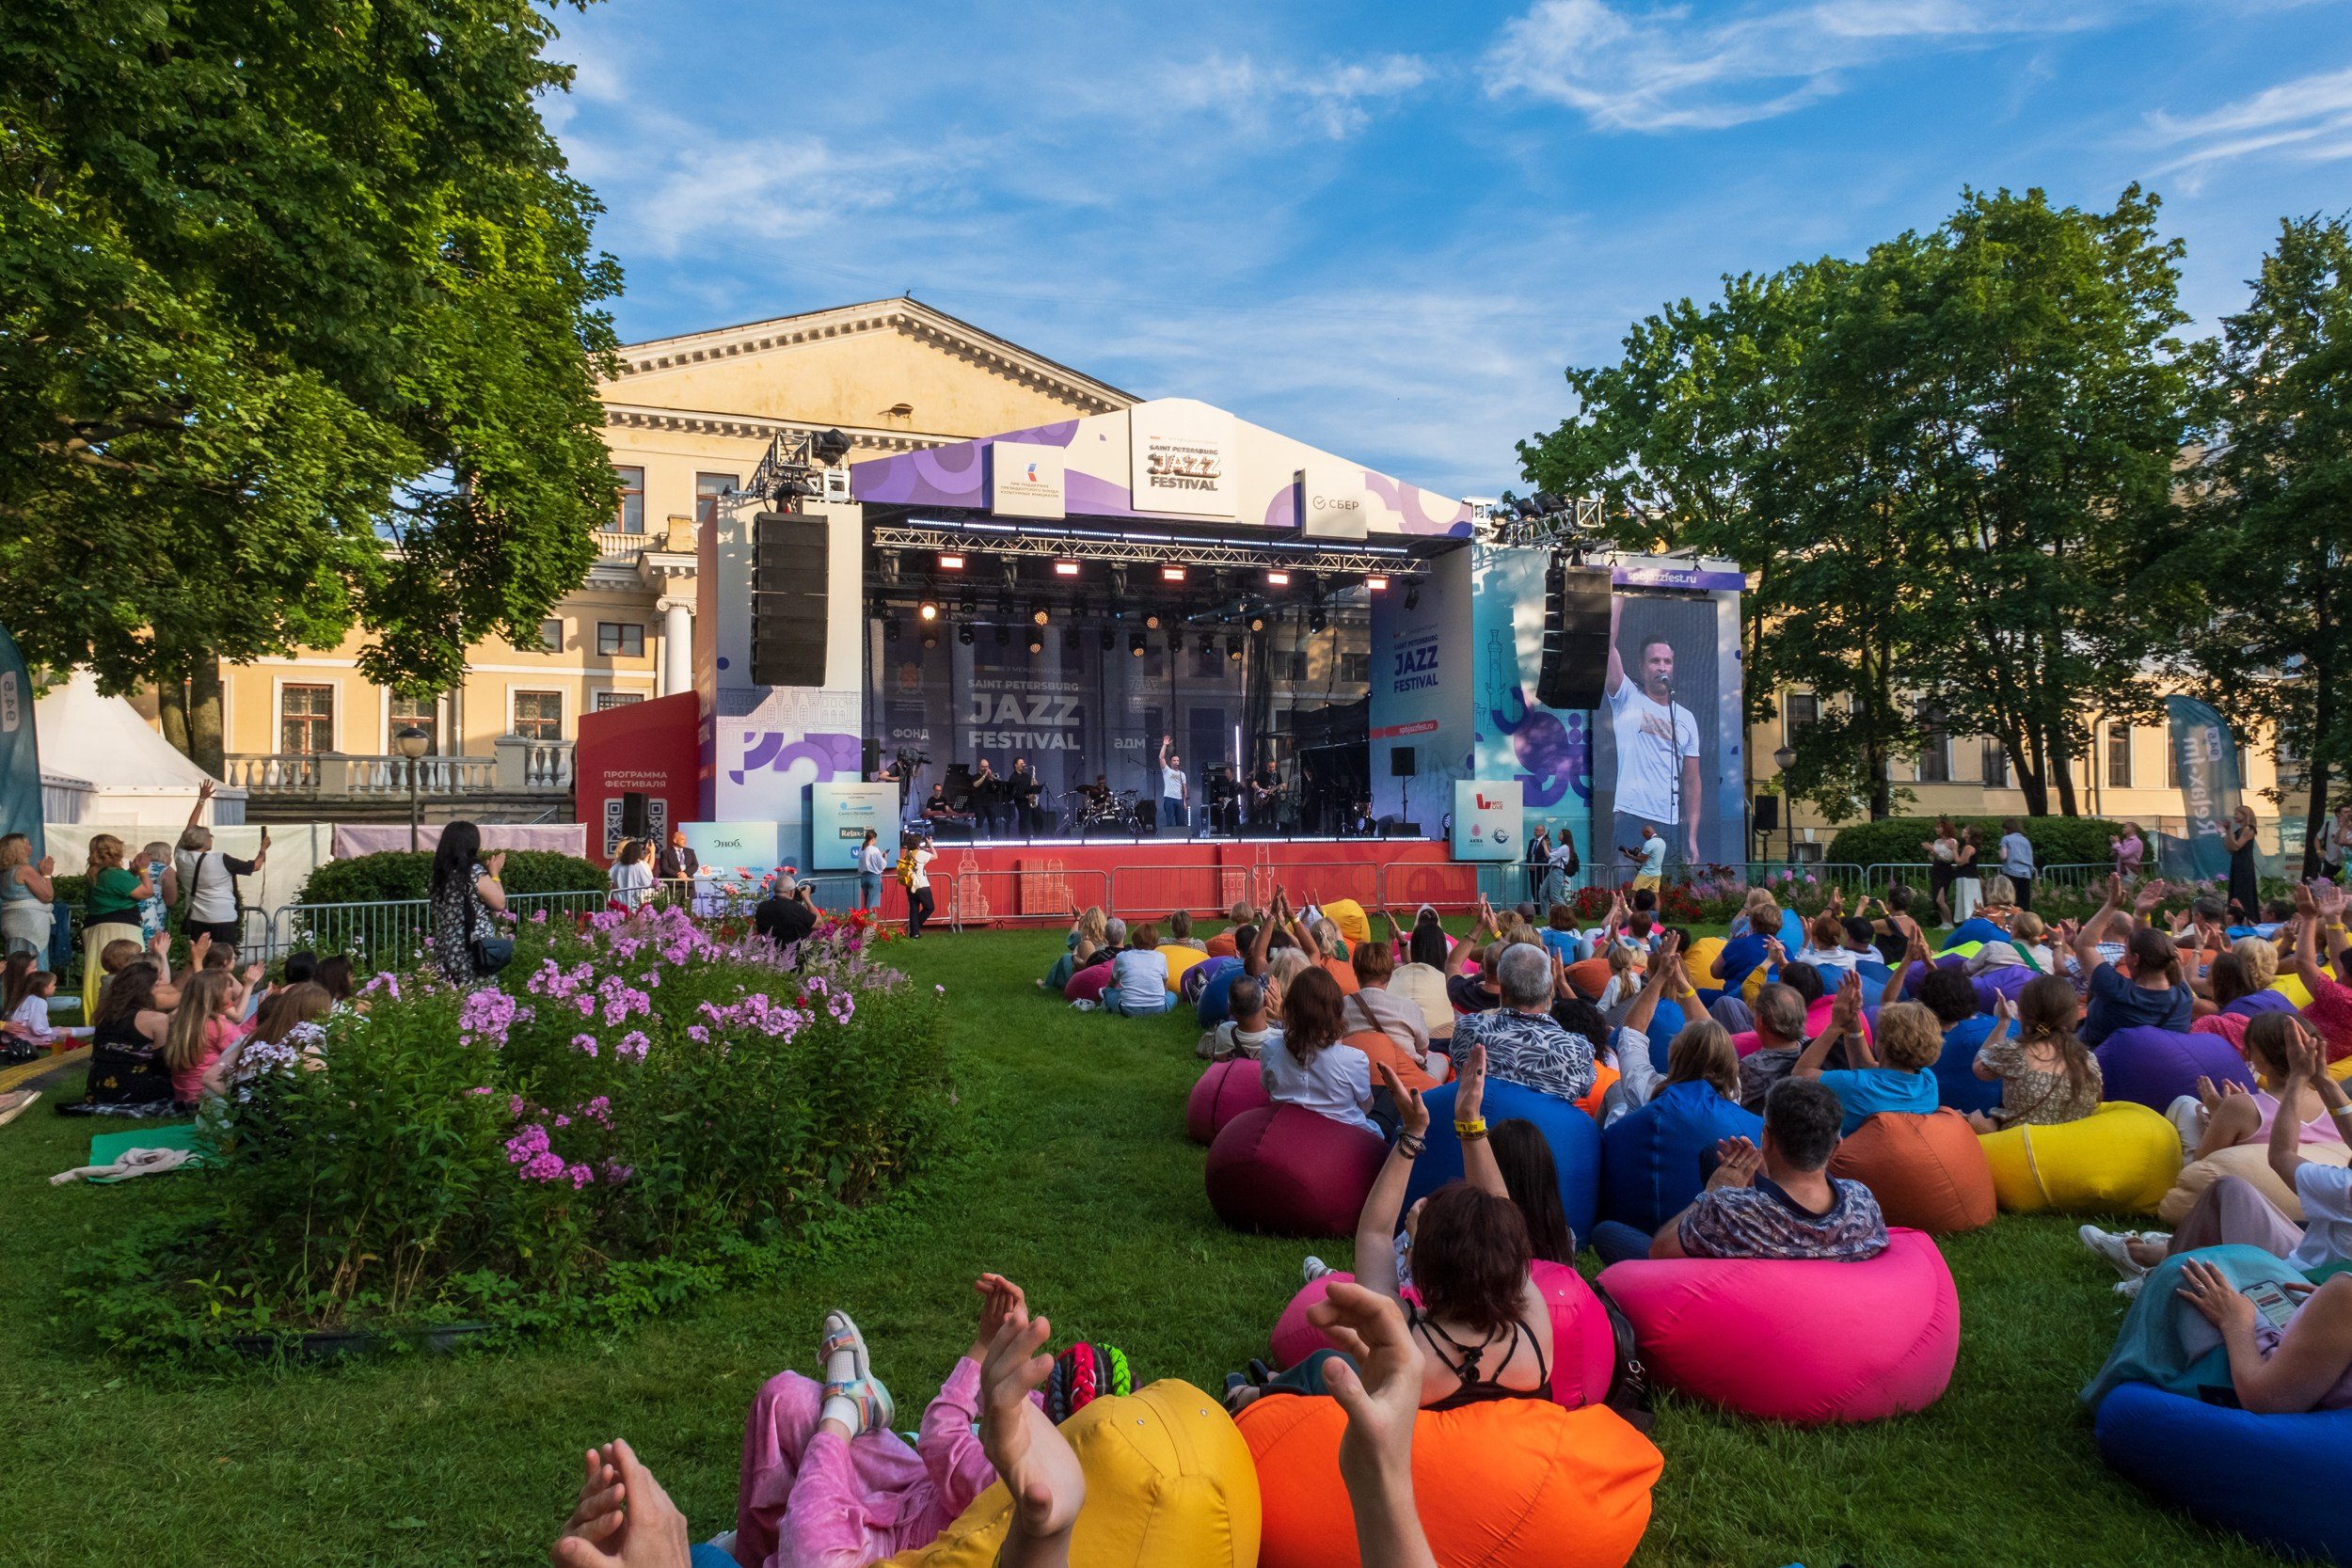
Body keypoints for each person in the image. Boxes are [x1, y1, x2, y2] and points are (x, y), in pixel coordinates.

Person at [561, 1275, 1087, 1568]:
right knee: (782, 1396)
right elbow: (942, 1451)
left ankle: (846, 1405)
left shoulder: (1039, 1488)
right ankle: (756, 1545)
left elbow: (944, 1437)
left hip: (885, 1546)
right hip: (909, 1487)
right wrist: (989, 1357)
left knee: (804, 1552)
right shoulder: (1040, 1437)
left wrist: (980, 1352)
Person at [1232, 1046, 1556, 1414]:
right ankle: (1269, 1388)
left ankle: (1245, 1396)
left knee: (1332, 1367)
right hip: (1502, 1463)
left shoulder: (1404, 1347)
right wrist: (1469, 1121)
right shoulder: (1535, 1337)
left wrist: (1412, 1135)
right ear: (1509, 1258)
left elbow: (1374, 1232)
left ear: (1425, 1267)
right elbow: (1502, 1219)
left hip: (1410, 1465)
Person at [2084, 1029, 2352, 1292]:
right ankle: (2155, 1252)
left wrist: (2298, 1078)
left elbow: (2279, 1156)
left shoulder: (2341, 1187)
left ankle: (2151, 1268)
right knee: (2231, 1189)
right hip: (2317, 1246)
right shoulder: (2334, 1179)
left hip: (2299, 1279)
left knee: (2187, 1109)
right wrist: (2323, 1080)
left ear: (2259, 1058)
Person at [1642, 1077, 1889, 1261]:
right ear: (1836, 1147)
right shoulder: (1862, 1201)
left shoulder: (1727, 1209)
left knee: (1610, 1234)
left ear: (1766, 1138)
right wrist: (1765, 1181)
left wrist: (1713, 1191)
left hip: (1734, 1307)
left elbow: (1659, 1252)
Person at [1604, 597, 1701, 868]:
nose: (1662, 667)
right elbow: (1608, 647)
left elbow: (1692, 781)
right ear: (1641, 667)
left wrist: (1691, 836)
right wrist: (1617, 601)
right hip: (1632, 816)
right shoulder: (1627, 697)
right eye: (1655, 661)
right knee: (1628, 892)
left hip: (1670, 821)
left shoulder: (1686, 718)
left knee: (1664, 895)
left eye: (1667, 661)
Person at [2171, 1013, 2344, 1161]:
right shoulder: (2335, 1102)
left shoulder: (2239, 1107)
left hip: (2260, 1194)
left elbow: (2202, 1163)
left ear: (2260, 1054)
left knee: (2184, 1104)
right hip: (2322, 1193)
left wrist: (2223, 1114)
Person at [1446, 943, 1596, 1104]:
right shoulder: (1578, 1049)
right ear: (1550, 988)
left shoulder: (1468, 1029)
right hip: (1547, 1127)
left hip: (1475, 1121)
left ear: (1501, 988)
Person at [1796, 982, 1941, 1135]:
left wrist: (1835, 1026)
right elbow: (1865, 1066)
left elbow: (1800, 1074)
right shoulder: (1928, 1080)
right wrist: (1854, 1018)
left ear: (1883, 1043)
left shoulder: (1854, 1085)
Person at [1966, 976, 2103, 1132]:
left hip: (2021, 1148)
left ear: (2023, 1013)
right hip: (2069, 1150)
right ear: (2072, 1013)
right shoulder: (2089, 1061)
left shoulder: (2015, 1054)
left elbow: (1979, 1066)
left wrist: (2003, 1022)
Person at [1256, 967, 1376, 1134]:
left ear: (1290, 1007)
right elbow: (1366, 1107)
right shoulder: (1354, 1059)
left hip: (1286, 1130)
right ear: (1335, 1011)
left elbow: (1267, 1088)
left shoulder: (1270, 1049)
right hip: (1343, 1137)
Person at [2075, 877, 2193, 1044]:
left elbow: (2084, 945)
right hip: (2154, 1067)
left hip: (2100, 1065)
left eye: (2126, 949)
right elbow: (2146, 945)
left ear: (2135, 959)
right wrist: (2141, 914)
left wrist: (2111, 905)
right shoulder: (2183, 995)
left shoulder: (2114, 990)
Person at [69, 959, 177, 1116]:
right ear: (147, 990)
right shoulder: (156, 1019)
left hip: (100, 1088)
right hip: (136, 1090)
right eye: (158, 987)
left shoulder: (104, 1014)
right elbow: (164, 1063)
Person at [427, 821, 508, 988]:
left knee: (449, 999)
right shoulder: (474, 872)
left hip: (445, 944)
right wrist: (494, 874)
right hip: (472, 947)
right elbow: (499, 902)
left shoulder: (441, 874)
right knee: (477, 999)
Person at [79, 834, 150, 1020]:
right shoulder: (114, 874)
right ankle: (126, 1013)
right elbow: (146, 892)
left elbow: (117, 890)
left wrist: (132, 874)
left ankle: (97, 1015)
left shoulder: (97, 873)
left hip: (97, 927)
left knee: (98, 973)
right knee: (127, 967)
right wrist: (142, 871)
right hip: (118, 926)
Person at [1344, 940, 1434, 1069]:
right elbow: (1422, 1051)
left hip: (1354, 1075)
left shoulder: (1340, 1006)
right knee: (1438, 1059)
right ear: (1390, 972)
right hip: (1404, 1079)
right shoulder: (1409, 1007)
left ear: (1356, 972)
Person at [162, 968, 243, 1108]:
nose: (231, 989)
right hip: (208, 1098)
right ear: (217, 993)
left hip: (184, 1097)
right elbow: (246, 1051)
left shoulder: (182, 1021)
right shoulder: (220, 1027)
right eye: (228, 986)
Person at [2289, 880, 2352, 1058]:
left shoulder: (2344, 1000)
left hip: (2293, 1061)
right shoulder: (2344, 992)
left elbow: (2302, 962)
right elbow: (2342, 963)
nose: (2339, 970)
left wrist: (2309, 919)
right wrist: (2333, 920)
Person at [0, 834, 56, 961]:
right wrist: (47, 875)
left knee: (16, 964)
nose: (31, 848)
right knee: (31, 964)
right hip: (29, 925)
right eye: (27, 844)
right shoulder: (25, 870)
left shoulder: (4, 872)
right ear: (19, 849)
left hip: (11, 924)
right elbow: (47, 896)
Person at [1198, 974, 1279, 1061]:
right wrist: (1282, 1016)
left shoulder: (1223, 1031)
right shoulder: (1279, 1039)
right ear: (1265, 1002)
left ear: (1230, 1010)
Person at [1104, 924, 1171, 1016]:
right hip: (1158, 1008)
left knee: (1108, 991)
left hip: (1127, 1009)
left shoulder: (1122, 956)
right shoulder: (1161, 957)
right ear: (1156, 942)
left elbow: (1113, 982)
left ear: (1134, 940)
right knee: (1172, 996)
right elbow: (1165, 984)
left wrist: (1109, 989)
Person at [754, 876, 818, 950]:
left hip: (768, 954)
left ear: (775, 890)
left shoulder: (762, 907)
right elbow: (819, 924)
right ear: (791, 892)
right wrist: (807, 898)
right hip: (792, 955)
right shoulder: (795, 909)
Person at [2223, 803, 2262, 921]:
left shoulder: (2248, 829)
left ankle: (2247, 917)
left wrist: (2229, 831)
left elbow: (2236, 846)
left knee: (2243, 891)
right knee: (2236, 890)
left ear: (2245, 815)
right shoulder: (2239, 830)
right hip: (2237, 863)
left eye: (2237, 814)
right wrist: (2226, 832)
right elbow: (2230, 847)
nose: (2234, 816)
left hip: (2244, 864)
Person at [1923, 817, 1960, 926]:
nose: (1936, 829)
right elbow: (1933, 858)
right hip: (1936, 868)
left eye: (1939, 827)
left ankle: (1949, 922)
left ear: (1945, 828)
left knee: (1940, 899)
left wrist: (1934, 851)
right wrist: (1931, 851)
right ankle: (1944, 922)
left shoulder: (1952, 842)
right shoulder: (1937, 841)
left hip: (1945, 870)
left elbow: (1949, 858)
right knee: (1936, 898)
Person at [901, 834, 936, 941]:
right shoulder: (920, 853)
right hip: (922, 885)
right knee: (930, 907)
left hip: (910, 885)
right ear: (917, 844)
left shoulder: (907, 854)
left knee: (914, 909)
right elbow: (935, 856)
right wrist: (930, 844)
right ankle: (913, 928)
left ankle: (915, 934)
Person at [607, 839, 656, 913]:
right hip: (636, 903)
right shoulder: (640, 866)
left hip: (621, 903)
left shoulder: (617, 866)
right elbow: (648, 884)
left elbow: (607, 879)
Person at [1997, 817, 2036, 912]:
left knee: (2010, 899)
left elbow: (2003, 856)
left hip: (2011, 871)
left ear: (2007, 828)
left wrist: (1999, 853)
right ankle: (2024, 921)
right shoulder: (2025, 840)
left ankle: (2010, 922)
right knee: (2024, 901)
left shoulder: (2006, 839)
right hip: (2026, 873)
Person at [1620, 824, 1668, 895]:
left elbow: (1641, 860)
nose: (1645, 838)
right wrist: (1640, 849)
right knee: (1655, 895)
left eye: (1645, 836)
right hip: (1657, 873)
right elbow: (1653, 849)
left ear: (1648, 832)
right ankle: (1656, 907)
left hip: (1646, 873)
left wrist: (1629, 856)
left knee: (1635, 893)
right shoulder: (1662, 842)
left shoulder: (1649, 843)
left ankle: (1635, 906)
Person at [655, 828, 698, 907]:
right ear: (675, 840)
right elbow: (664, 868)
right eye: (682, 839)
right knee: (674, 909)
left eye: (685, 839)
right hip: (673, 886)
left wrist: (685, 874)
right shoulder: (665, 853)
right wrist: (678, 874)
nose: (685, 841)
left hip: (687, 885)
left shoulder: (690, 851)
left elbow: (695, 865)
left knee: (687, 910)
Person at [1156, 736, 1188, 837]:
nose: (1176, 762)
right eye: (1174, 761)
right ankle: (1170, 840)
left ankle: (1180, 841)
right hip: (1169, 798)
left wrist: (1184, 801)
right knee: (1169, 822)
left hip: (1179, 799)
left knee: (1180, 823)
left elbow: (1184, 788)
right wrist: (1164, 745)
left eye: (1177, 761)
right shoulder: (1167, 771)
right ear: (1171, 762)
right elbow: (1161, 757)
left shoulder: (1182, 774)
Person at [1951, 826, 1984, 924]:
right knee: (1968, 898)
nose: (1963, 830)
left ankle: (1969, 919)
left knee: (1968, 899)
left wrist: (1954, 850)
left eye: (1965, 830)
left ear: (1969, 834)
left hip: (1967, 877)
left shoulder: (1968, 847)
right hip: (1969, 877)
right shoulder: (1972, 846)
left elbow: (1960, 862)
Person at [851, 829, 886, 911]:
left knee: (867, 905)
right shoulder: (874, 849)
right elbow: (882, 865)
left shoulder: (862, 849)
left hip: (864, 878)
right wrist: (885, 857)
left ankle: (866, 923)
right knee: (872, 906)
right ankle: (871, 924)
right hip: (874, 877)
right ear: (873, 838)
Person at [2320, 803, 2352, 884]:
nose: (2349, 814)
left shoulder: (2348, 826)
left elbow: (2343, 842)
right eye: (2348, 812)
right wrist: (2342, 827)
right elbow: (2336, 840)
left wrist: (2344, 826)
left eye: (2350, 812)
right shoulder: (2348, 827)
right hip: (2346, 864)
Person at [1523, 824, 1551, 906]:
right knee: (1534, 889)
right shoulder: (1532, 841)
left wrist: (1537, 865)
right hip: (1532, 870)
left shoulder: (1546, 841)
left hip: (1542, 870)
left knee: (1544, 889)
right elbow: (1529, 854)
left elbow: (1546, 856)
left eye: (1537, 830)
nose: (1535, 831)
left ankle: (1546, 907)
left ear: (1542, 831)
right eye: (1534, 829)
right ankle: (1537, 908)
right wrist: (1529, 864)